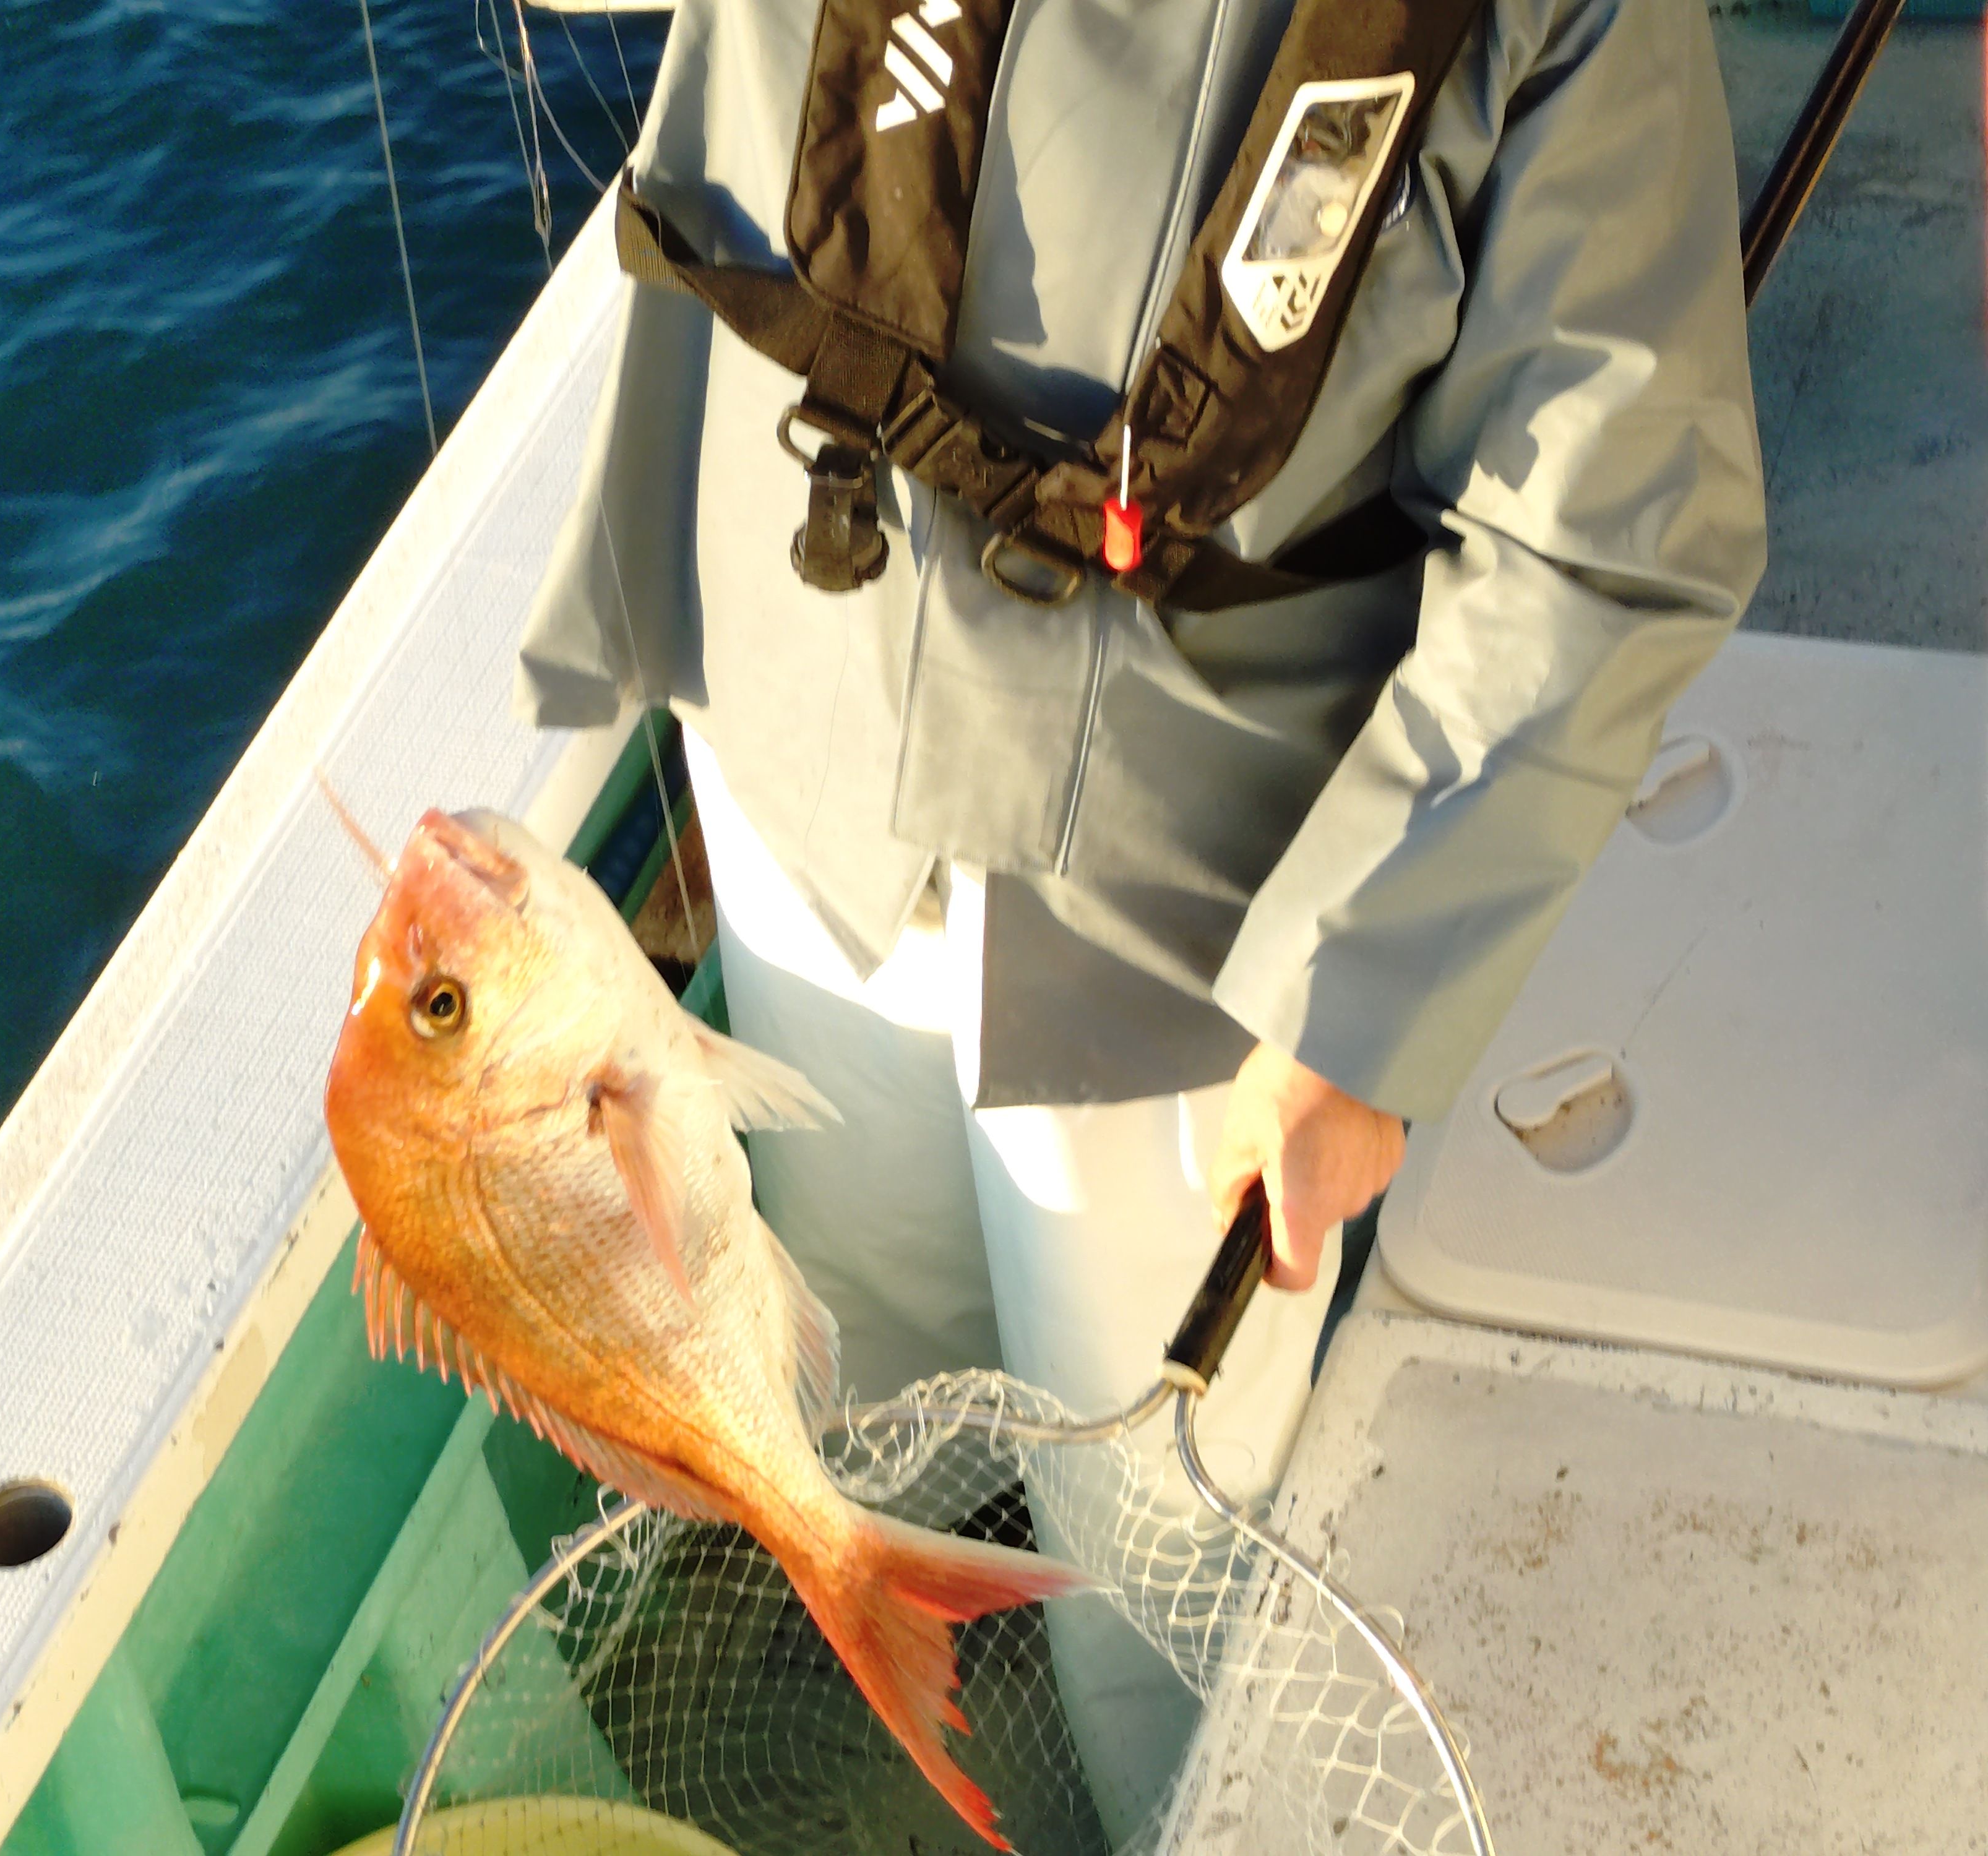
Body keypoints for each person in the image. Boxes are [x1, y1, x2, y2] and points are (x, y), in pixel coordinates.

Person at [519, 0, 1763, 1837]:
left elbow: (1608, 530)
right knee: (853, 1385)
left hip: (1185, 927)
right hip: (803, 756)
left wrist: (1357, 1003)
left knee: (1159, 1602)